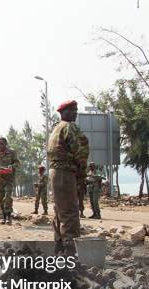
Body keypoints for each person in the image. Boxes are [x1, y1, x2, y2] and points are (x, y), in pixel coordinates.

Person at [47, 100, 89, 253]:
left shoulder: (56, 128)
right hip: (66, 172)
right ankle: (70, 250)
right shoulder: (70, 127)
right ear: (63, 113)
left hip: (55, 172)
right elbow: (81, 152)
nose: (75, 113)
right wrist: (82, 172)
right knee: (70, 211)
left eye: (76, 110)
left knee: (60, 210)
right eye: (72, 110)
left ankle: (59, 246)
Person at [0, 137, 20, 224]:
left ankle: (9, 217)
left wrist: (12, 166)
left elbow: (17, 163)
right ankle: (3, 217)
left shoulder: (12, 152)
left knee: (7, 198)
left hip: (9, 179)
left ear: (6, 144)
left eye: (1, 144)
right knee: (1, 198)